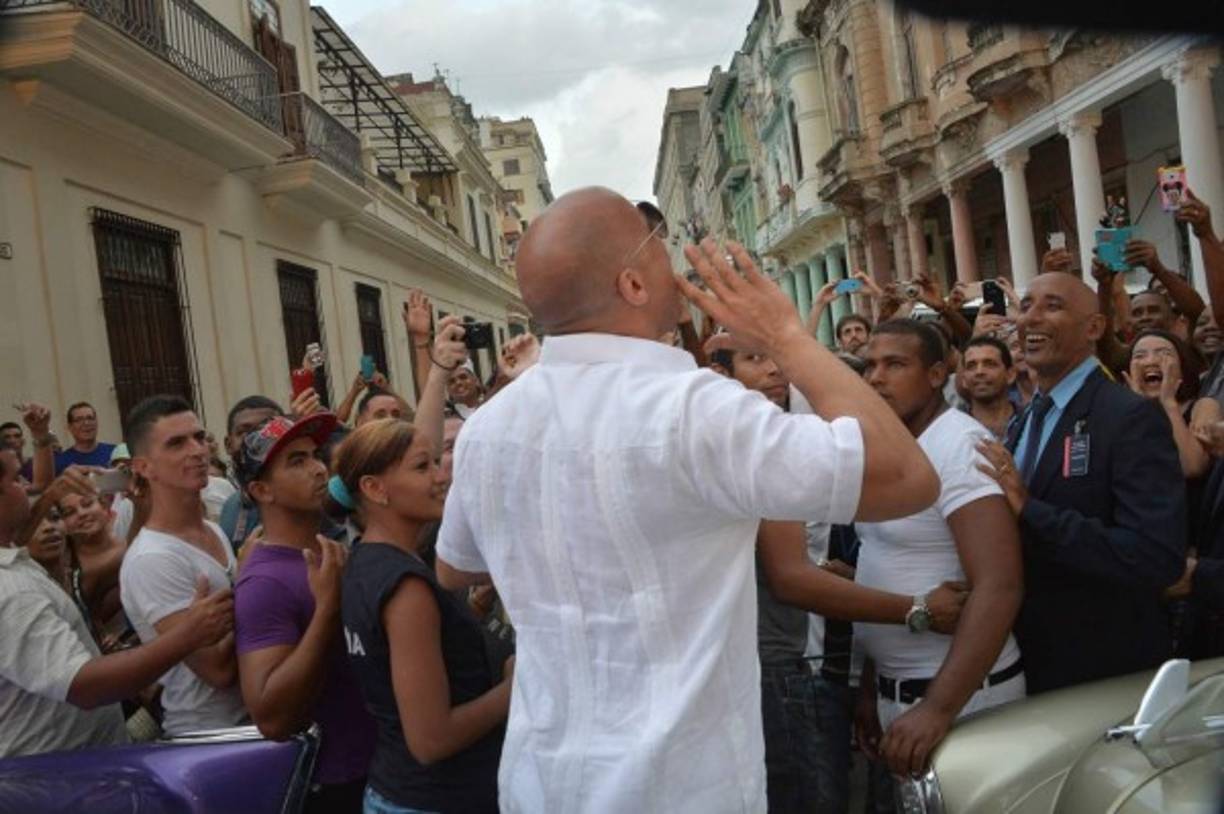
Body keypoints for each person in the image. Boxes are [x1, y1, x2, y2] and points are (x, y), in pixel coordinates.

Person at [434, 187, 941, 812]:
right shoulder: (693, 409)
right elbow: (906, 477)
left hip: (542, 783)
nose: (673, 264)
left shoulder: (489, 427)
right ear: (633, 285)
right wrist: (786, 334)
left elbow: (455, 565)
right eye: (658, 249)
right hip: (683, 786)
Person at [976, 273, 1187, 694]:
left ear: (1093, 328)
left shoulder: (1128, 418)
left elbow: (1155, 558)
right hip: (1030, 663)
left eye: (1052, 306)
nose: (1030, 318)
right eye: (1027, 305)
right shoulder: (1026, 418)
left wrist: (1031, 509)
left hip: (1104, 674)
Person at [854, 320, 1024, 778]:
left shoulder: (959, 446)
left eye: (895, 364)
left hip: (963, 704)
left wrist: (937, 708)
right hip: (903, 698)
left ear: (935, 376)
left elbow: (1000, 585)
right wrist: (873, 687)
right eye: (870, 365)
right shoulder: (893, 446)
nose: (876, 378)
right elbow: (884, 562)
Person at [0, 452, 234, 758]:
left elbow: (17, 535)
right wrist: (188, 635)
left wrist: (52, 495)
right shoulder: (11, 591)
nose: (28, 488)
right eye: (17, 479)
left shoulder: (12, 559)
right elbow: (85, 685)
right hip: (58, 779)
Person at [337, 419, 511, 814]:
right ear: (374, 488)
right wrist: (516, 687)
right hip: (435, 798)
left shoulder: (364, 561)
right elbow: (430, 739)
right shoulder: (406, 587)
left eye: (436, 462)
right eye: (422, 467)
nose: (440, 477)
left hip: (398, 790)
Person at [233, 413, 376, 814]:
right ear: (262, 490)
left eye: (315, 456)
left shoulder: (326, 553)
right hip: (334, 786)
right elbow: (272, 719)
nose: (317, 468)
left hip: (375, 769)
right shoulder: (264, 583)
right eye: (296, 461)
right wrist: (327, 610)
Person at [119, 395, 248, 734]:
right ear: (143, 467)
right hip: (210, 735)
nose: (197, 450)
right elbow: (217, 670)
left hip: (249, 724)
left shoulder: (213, 530)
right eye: (177, 443)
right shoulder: (152, 559)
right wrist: (252, 580)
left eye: (199, 437)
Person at [1125, 330, 1219, 479]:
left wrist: (1168, 402)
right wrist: (1139, 407)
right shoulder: (1120, 415)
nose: (1151, 361)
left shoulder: (1204, 406)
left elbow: (1191, 467)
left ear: (1182, 366)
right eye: (1140, 356)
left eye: (1164, 354)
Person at [219, 396, 286, 550]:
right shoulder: (230, 508)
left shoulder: (307, 497)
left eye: (266, 429)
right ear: (228, 445)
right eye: (244, 432)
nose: (256, 439)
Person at [59, 488, 127, 640]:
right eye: (69, 513)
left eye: (87, 504)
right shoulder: (61, 565)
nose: (82, 513)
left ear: (104, 507)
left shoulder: (129, 548)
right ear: (61, 523)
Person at [962, 336, 1019, 441]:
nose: (979, 372)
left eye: (990, 364)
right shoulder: (952, 427)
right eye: (971, 366)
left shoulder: (1032, 421)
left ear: (1010, 375)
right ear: (963, 379)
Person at [54, 403, 116, 474]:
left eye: (90, 418)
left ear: (97, 422)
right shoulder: (60, 462)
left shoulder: (115, 453)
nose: (86, 423)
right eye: (79, 420)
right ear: (70, 427)